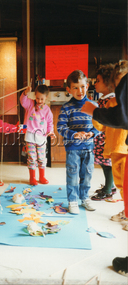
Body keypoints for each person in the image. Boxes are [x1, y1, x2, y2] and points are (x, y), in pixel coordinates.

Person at [81, 60, 128, 277]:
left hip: (120, 147)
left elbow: (117, 119)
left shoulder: (113, 99)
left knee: (121, 182)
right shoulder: (110, 99)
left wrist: (94, 111)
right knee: (121, 183)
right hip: (117, 146)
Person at [57, 70, 99, 214]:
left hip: (88, 148)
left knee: (87, 175)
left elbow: (99, 126)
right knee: (73, 175)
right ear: (69, 90)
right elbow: (60, 127)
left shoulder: (93, 105)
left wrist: (92, 133)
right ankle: (73, 201)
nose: (79, 90)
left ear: (87, 86)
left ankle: (84, 197)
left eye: (82, 86)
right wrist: (74, 134)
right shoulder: (66, 107)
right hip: (73, 149)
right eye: (75, 87)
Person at [20, 85, 55, 185]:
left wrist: (51, 132)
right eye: (37, 98)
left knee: (42, 157)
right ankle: (32, 178)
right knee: (31, 157)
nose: (39, 100)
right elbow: (22, 101)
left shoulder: (47, 110)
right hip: (30, 136)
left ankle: (42, 177)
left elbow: (50, 123)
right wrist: (25, 92)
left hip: (42, 137)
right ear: (35, 96)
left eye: (42, 99)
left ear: (46, 97)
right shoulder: (30, 104)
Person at [91, 64, 117, 201]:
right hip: (101, 136)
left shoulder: (109, 100)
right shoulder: (104, 99)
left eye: (98, 80)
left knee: (107, 163)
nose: (95, 83)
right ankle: (110, 185)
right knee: (104, 162)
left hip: (106, 138)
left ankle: (108, 190)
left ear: (107, 83)